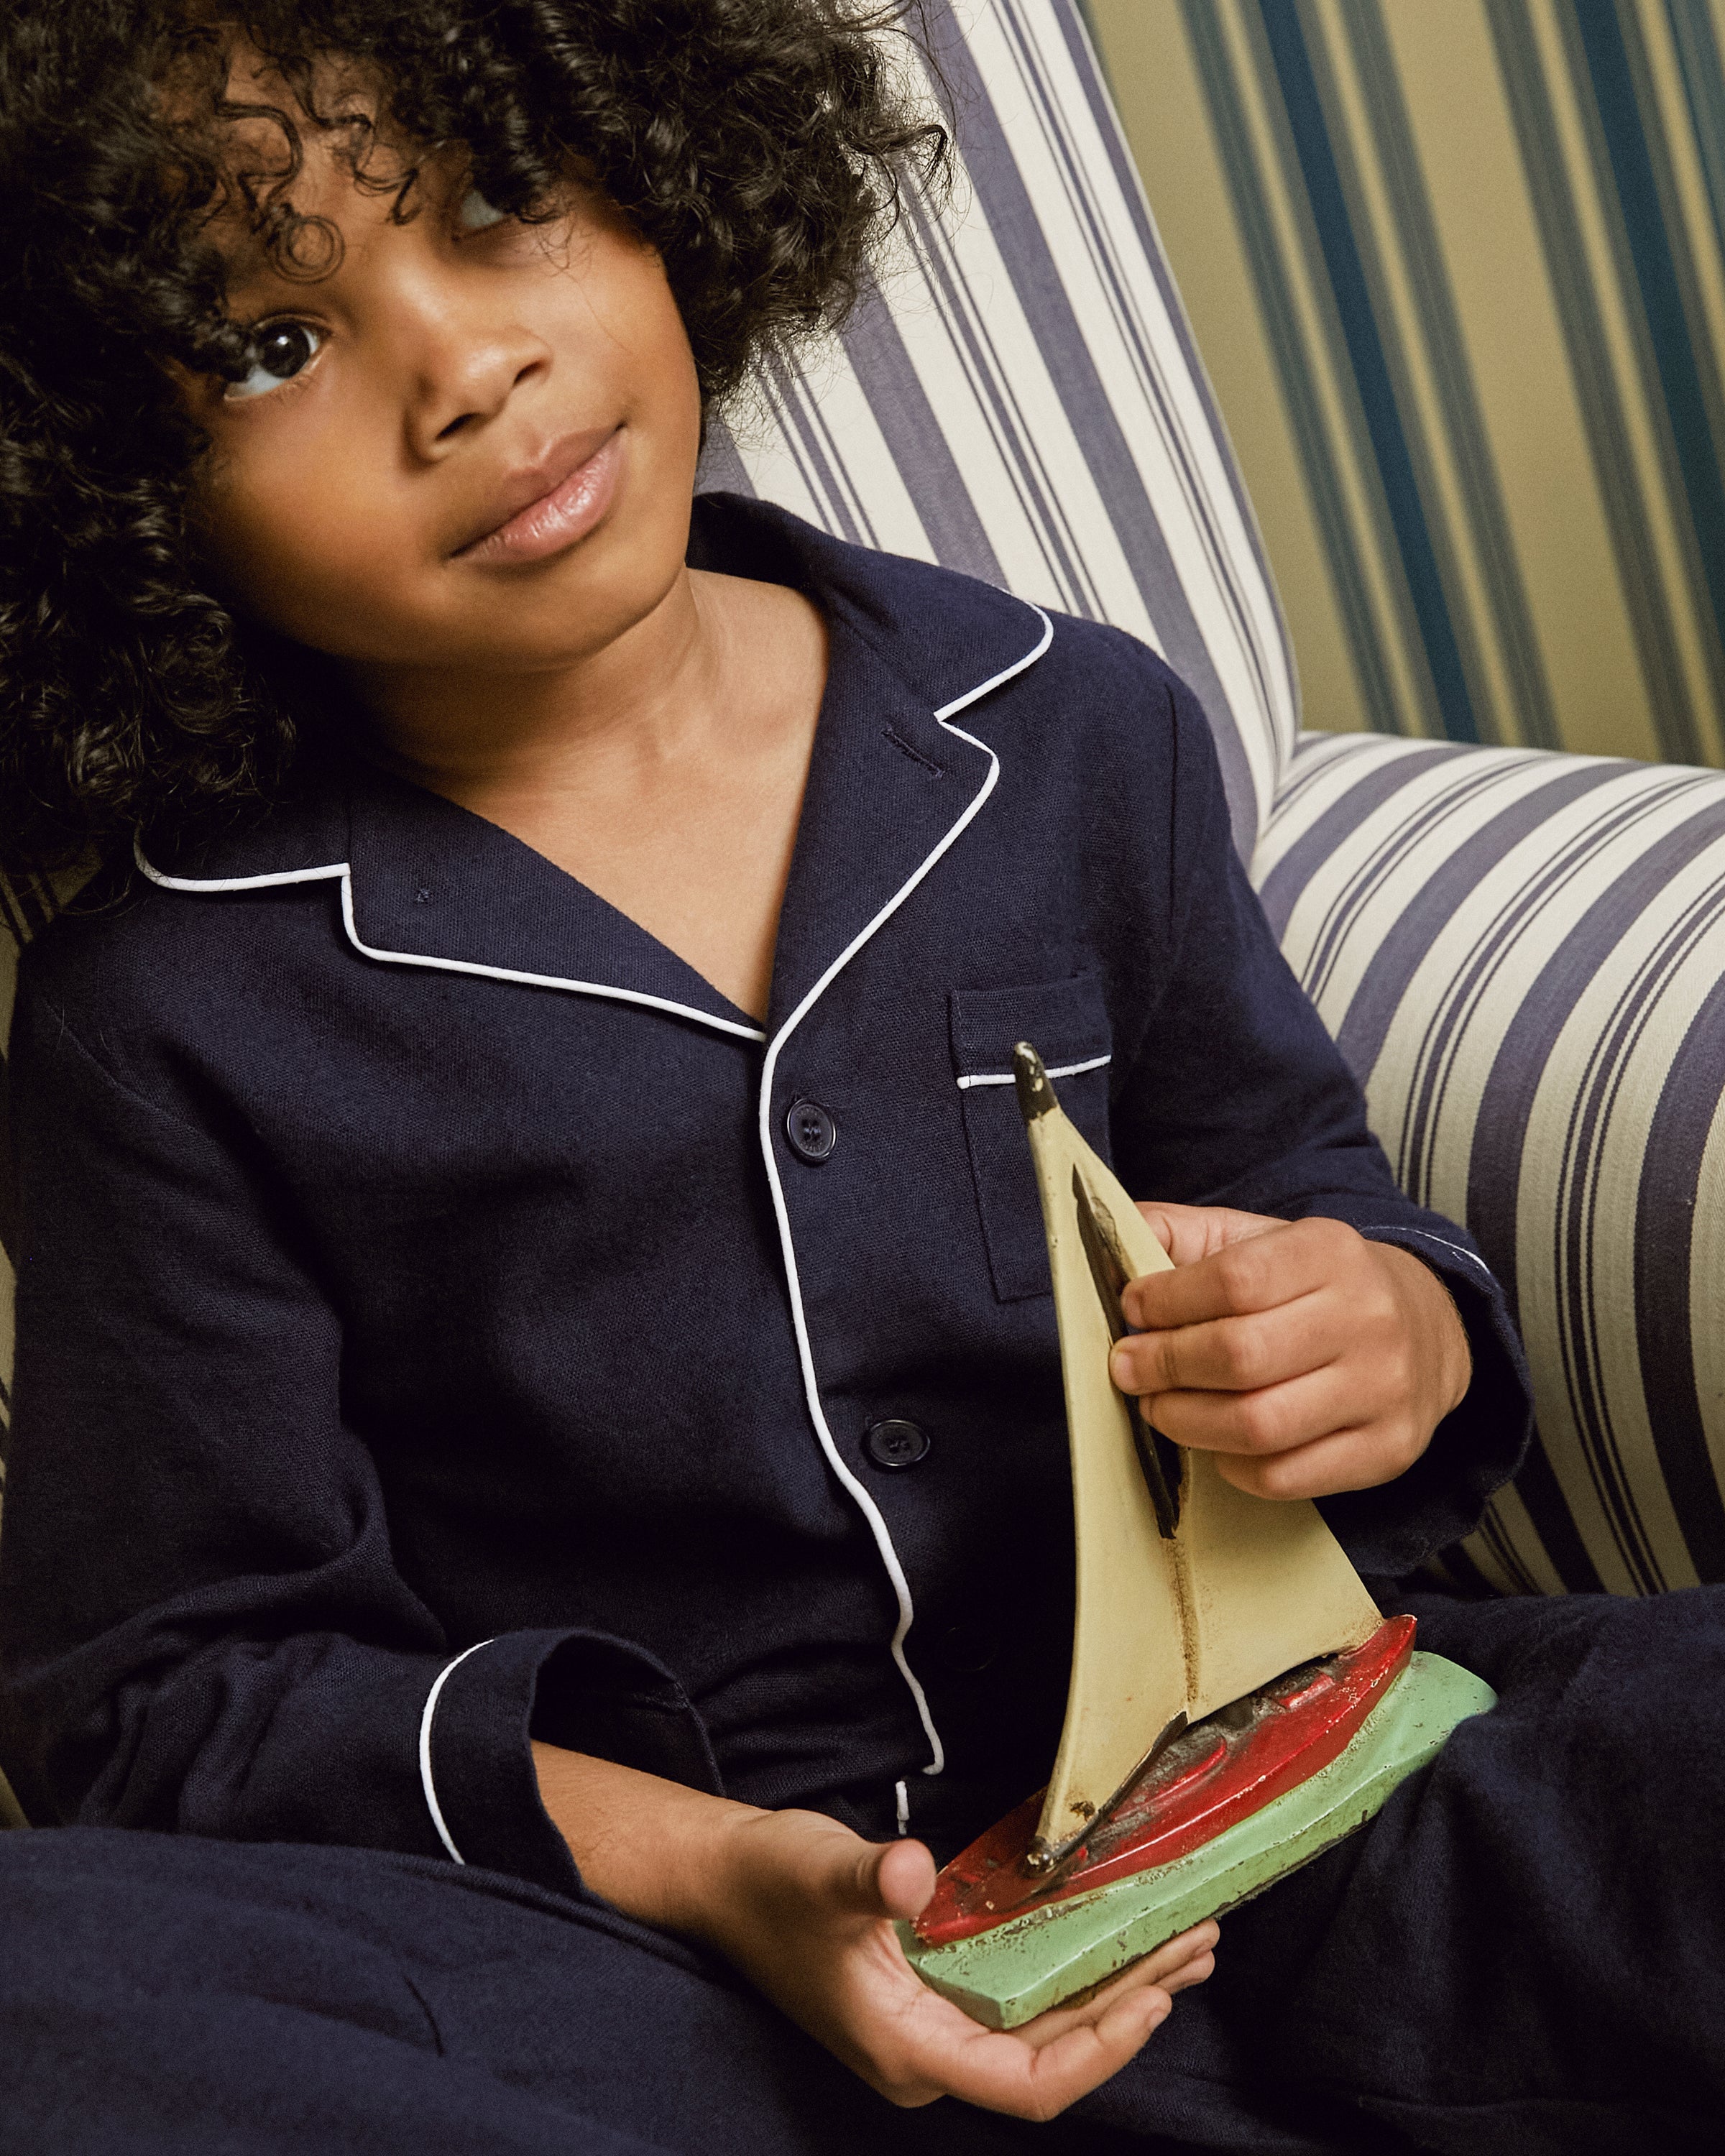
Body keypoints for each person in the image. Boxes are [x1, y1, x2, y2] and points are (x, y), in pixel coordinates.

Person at [0, 7, 1714, 2155]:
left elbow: (1309, 1193)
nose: (466, 373)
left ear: (660, 171)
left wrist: (1388, 1330)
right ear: (107, 492)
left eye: (500, 205)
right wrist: (735, 1880)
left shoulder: (1075, 729)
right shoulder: (160, 1015)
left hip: (1290, 1822)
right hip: (664, 1997)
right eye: (266, 345)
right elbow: (172, 1695)